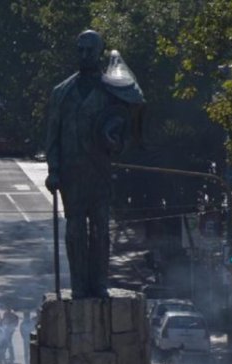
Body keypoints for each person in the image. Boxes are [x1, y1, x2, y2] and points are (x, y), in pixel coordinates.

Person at [45, 30, 144, 299]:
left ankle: (98, 283)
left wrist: (116, 139)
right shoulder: (61, 93)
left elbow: (130, 124)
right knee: (75, 230)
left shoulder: (113, 90)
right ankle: (79, 285)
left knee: (101, 229)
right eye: (80, 49)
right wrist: (53, 170)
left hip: (99, 172)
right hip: (71, 175)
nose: (84, 55)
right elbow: (52, 137)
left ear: (99, 52)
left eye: (90, 50)